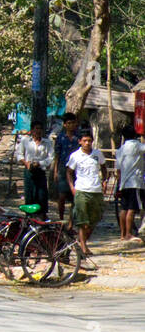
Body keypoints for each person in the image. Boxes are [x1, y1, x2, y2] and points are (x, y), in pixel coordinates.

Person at [66, 131, 108, 263]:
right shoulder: (75, 156)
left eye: (89, 140)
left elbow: (104, 167)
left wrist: (105, 181)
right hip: (82, 190)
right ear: (80, 141)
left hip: (96, 190)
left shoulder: (97, 154)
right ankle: (84, 247)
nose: (87, 143)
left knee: (95, 218)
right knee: (82, 220)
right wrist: (72, 187)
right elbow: (69, 172)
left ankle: (81, 240)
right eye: (84, 140)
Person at [13, 121, 53, 220]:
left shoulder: (47, 143)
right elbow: (19, 154)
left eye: (40, 128)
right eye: (36, 128)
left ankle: (42, 216)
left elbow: (51, 158)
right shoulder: (25, 141)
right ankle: (29, 217)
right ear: (32, 130)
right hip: (29, 171)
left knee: (42, 194)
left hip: (40, 171)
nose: (38, 131)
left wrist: (40, 163)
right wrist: (26, 163)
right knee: (30, 193)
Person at [116, 124, 144, 242]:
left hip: (124, 182)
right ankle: (129, 233)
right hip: (135, 182)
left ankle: (122, 234)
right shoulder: (138, 146)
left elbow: (118, 169)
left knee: (124, 208)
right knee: (132, 209)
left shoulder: (120, 149)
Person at [53, 113, 80, 222]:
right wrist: (55, 171)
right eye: (69, 123)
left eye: (73, 123)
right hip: (63, 169)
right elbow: (57, 155)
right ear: (64, 125)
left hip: (77, 170)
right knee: (62, 196)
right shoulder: (60, 138)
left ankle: (71, 220)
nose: (71, 125)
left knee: (75, 196)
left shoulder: (79, 138)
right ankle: (61, 219)